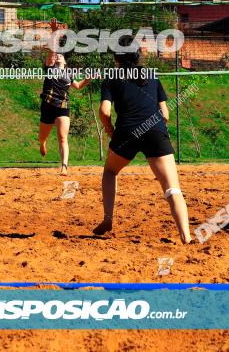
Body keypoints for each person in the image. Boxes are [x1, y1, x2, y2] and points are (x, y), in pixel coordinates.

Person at [93, 36, 191, 244]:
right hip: (154, 128)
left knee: (110, 171)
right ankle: (186, 236)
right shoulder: (151, 75)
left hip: (127, 131)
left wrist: (109, 129)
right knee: (172, 187)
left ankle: (108, 219)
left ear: (116, 57)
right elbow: (165, 114)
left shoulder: (111, 77)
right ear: (137, 56)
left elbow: (104, 111)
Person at [38, 20, 91, 175]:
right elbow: (52, 51)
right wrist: (55, 33)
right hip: (48, 106)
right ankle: (43, 143)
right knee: (42, 136)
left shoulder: (68, 73)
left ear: (65, 61)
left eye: (61, 55)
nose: (58, 56)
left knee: (62, 138)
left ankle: (64, 166)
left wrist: (89, 78)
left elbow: (79, 86)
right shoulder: (49, 68)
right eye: (56, 56)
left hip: (63, 107)